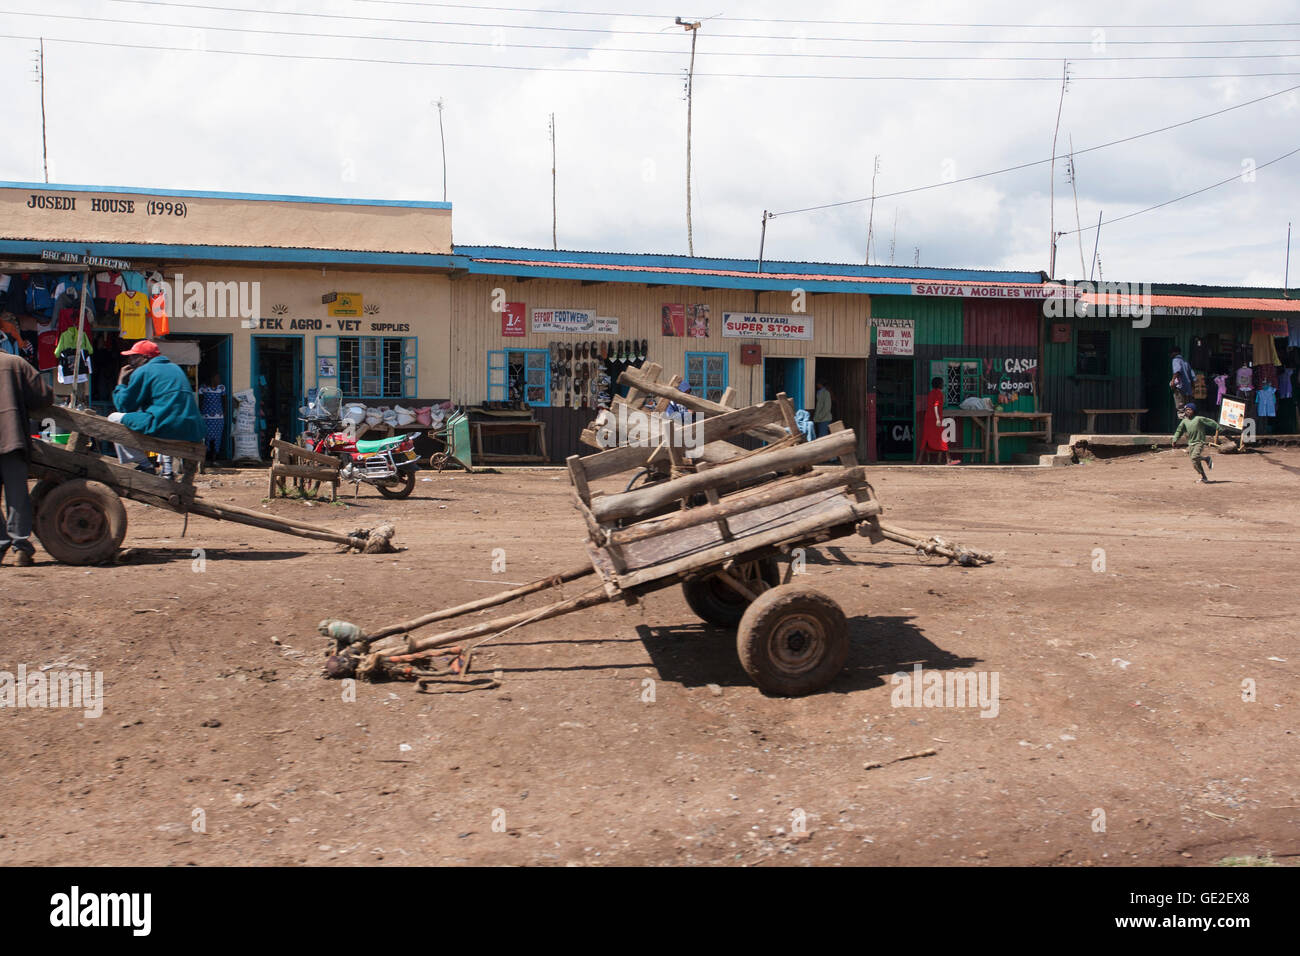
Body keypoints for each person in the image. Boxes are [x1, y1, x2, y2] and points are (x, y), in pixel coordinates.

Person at [111, 340, 204, 477]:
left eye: (133, 357)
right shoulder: (176, 368)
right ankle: (167, 470)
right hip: (193, 431)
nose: (130, 360)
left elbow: (124, 406)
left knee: (113, 418)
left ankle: (144, 464)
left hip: (167, 428)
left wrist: (121, 382)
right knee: (162, 417)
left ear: (145, 358)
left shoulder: (143, 371)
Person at [0, 350, 54, 565]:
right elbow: (44, 396)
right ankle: (20, 547)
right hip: (11, 437)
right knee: (17, 496)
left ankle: (1, 542)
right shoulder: (15, 363)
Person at [1171, 402, 1219, 484]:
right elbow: (1179, 431)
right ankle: (1204, 477)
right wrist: (1175, 439)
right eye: (1186, 410)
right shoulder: (1184, 421)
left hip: (1199, 442)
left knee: (1194, 457)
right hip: (1191, 443)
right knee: (1195, 463)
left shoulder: (1198, 419)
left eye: (1190, 410)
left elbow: (1209, 421)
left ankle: (1207, 459)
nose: (1188, 411)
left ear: (1194, 410)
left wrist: (1218, 427)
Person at [916, 376, 955, 464]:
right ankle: (948, 459)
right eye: (942, 383)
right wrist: (938, 419)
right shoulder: (939, 393)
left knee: (926, 438)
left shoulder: (931, 393)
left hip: (928, 419)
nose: (943, 385)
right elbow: (936, 406)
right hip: (935, 419)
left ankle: (919, 460)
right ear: (938, 384)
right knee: (943, 438)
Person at [197, 370, 227, 462]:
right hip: (206, 417)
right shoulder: (203, 388)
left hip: (218, 418)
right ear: (212, 378)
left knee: (217, 438)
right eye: (217, 378)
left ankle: (214, 457)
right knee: (207, 437)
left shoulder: (221, 388)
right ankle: (207, 457)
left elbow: (224, 401)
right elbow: (200, 402)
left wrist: (224, 412)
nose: (218, 380)